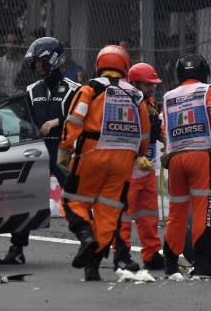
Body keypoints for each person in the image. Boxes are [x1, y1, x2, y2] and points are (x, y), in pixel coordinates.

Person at [57, 45, 150, 281]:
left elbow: (75, 117)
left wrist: (66, 147)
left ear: (100, 64)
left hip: (92, 152)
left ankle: (85, 236)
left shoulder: (90, 88)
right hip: (124, 158)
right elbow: (145, 130)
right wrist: (141, 154)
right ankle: (93, 266)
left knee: (72, 201)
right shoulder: (136, 95)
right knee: (109, 212)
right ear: (125, 67)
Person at [0, 37, 81, 265]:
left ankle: (90, 243)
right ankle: (16, 249)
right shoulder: (32, 90)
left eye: (39, 62)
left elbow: (85, 120)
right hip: (37, 149)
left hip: (64, 149)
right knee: (25, 197)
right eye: (34, 63)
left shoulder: (75, 90)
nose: (36, 67)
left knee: (74, 197)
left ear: (52, 59)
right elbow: (23, 122)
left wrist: (58, 121)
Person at [161, 54, 211, 277]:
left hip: (175, 157)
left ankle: (170, 264)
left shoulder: (168, 96)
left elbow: (163, 130)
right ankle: (202, 264)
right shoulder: (208, 89)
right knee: (205, 207)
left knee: (177, 210)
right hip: (200, 154)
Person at [112, 63, 164, 272]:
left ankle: (151, 254)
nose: (152, 88)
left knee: (149, 214)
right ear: (134, 83)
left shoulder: (150, 103)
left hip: (146, 167)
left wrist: (167, 140)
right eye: (147, 84)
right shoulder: (123, 103)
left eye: (153, 85)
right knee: (124, 215)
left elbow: (154, 131)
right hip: (128, 167)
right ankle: (121, 255)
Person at [0, 31, 24, 95]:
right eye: (9, 42)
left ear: (19, 44)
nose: (12, 45)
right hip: (2, 97)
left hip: (19, 96)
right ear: (5, 43)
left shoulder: (24, 62)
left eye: (15, 42)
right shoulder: (0, 62)